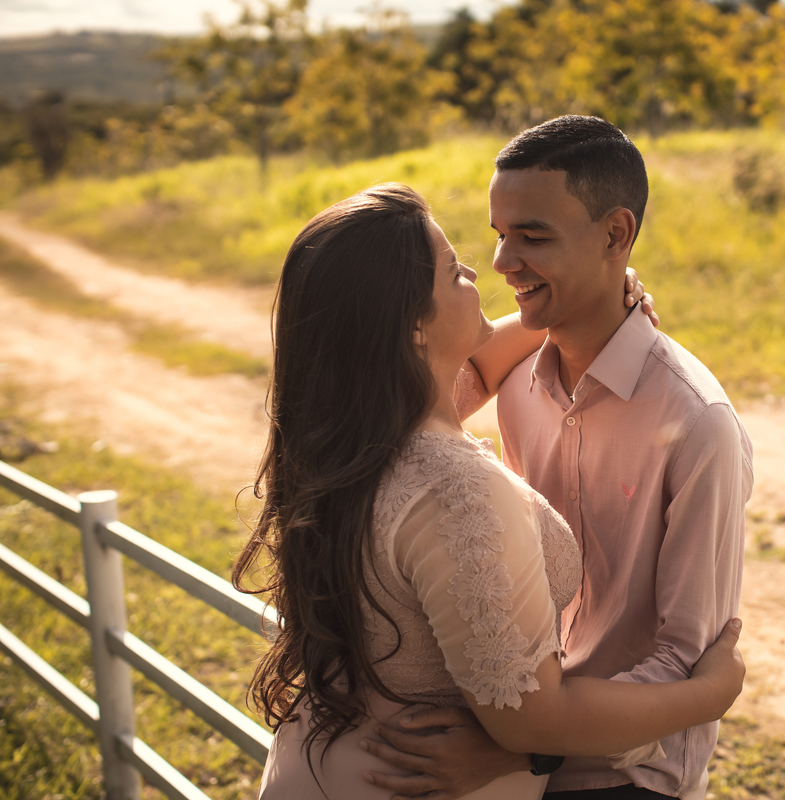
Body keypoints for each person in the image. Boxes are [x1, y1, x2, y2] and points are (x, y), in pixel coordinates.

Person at [236, 182, 746, 800]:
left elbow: (472, 368)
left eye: (526, 238)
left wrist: (583, 299)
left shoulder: (353, 433)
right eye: (454, 271)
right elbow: (535, 718)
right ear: (411, 328)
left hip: (323, 765)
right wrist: (711, 694)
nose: (488, 267)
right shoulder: (459, 491)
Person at [362, 118, 753, 800]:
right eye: (499, 234)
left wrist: (525, 752)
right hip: (511, 743)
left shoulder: (697, 425)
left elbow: (686, 662)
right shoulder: (514, 377)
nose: (503, 262)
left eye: (532, 236)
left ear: (614, 235)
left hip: (623, 780)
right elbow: (411, 396)